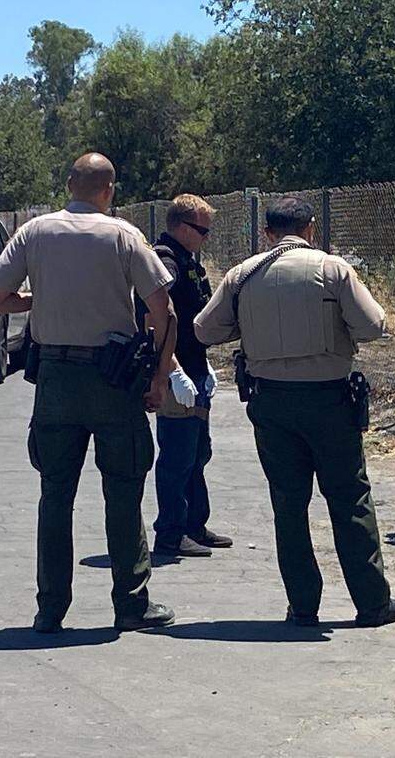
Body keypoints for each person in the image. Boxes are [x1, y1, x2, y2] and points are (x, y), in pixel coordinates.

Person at [0, 152, 178, 634]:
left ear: (69, 184)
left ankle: (50, 608)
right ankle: (130, 604)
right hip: (113, 380)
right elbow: (162, 310)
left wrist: (36, 298)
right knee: (124, 491)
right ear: (109, 191)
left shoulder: (34, 232)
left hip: (56, 379)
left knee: (55, 495)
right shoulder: (123, 235)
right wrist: (157, 377)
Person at [194, 196, 395, 628]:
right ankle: (372, 603)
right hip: (329, 400)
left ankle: (303, 605)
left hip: (271, 402)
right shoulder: (332, 269)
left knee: (289, 504)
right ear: (311, 228)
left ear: (267, 233)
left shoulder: (243, 274)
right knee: (349, 499)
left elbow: (204, 329)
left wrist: (247, 327)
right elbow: (373, 325)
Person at [142, 194, 233, 558]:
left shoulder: (187, 261)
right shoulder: (165, 263)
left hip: (195, 369)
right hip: (175, 374)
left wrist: (203, 365)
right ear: (180, 227)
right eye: (201, 230)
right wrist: (172, 371)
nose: (205, 237)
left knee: (198, 452)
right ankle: (170, 532)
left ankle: (194, 524)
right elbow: (154, 319)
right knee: (177, 455)